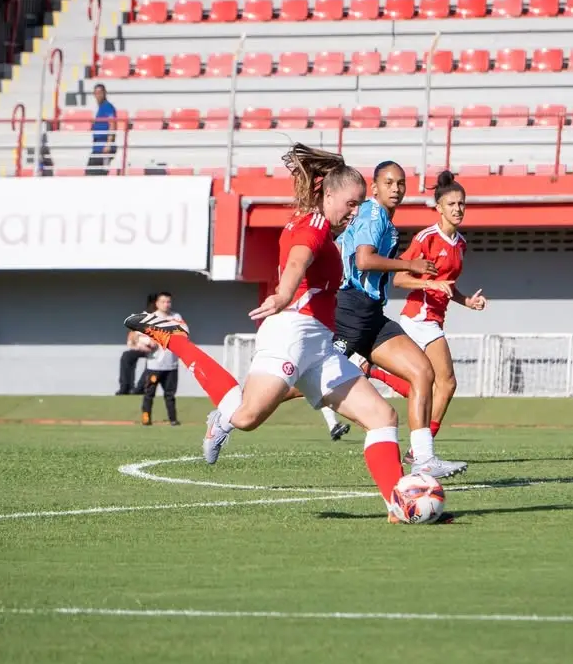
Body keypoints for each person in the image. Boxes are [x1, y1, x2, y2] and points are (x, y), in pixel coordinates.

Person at [124, 144, 428, 524]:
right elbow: (299, 258)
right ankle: (176, 341)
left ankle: (397, 506)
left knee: (382, 416)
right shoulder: (313, 228)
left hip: (319, 344)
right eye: (351, 204)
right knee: (247, 417)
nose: (355, 212)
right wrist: (284, 293)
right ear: (329, 194)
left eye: (360, 205)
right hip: (291, 332)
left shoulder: (325, 228)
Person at [333, 160, 467, 479]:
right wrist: (412, 267)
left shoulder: (386, 221)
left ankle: (423, 458)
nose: (396, 189)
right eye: (389, 183)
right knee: (310, 379)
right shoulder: (373, 213)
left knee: (422, 371)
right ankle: (236, 409)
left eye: (401, 184)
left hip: (371, 313)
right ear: (375, 187)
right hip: (350, 310)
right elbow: (364, 261)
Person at [387, 171, 486, 462]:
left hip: (433, 318)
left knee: (426, 384)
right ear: (439, 207)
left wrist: (467, 300)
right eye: (452, 204)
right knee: (447, 382)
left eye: (462, 204)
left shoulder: (460, 244)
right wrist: (430, 284)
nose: (458, 209)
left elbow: (448, 285)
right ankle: (421, 450)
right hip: (419, 317)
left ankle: (373, 371)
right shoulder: (426, 238)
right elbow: (400, 279)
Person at [139, 291, 186, 426]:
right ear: (157, 303)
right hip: (154, 365)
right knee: (149, 393)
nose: (166, 304)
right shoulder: (151, 318)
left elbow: (183, 333)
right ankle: (146, 419)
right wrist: (148, 343)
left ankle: (173, 420)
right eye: (163, 302)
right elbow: (141, 337)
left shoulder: (176, 317)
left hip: (171, 364)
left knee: (170, 394)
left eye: (168, 302)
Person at [87, 84, 117, 176]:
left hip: (103, 147)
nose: (98, 95)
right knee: (91, 173)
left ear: (104, 93)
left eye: (100, 93)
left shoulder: (108, 106)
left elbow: (112, 124)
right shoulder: (100, 108)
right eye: (96, 93)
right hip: (97, 146)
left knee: (95, 173)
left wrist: (108, 144)